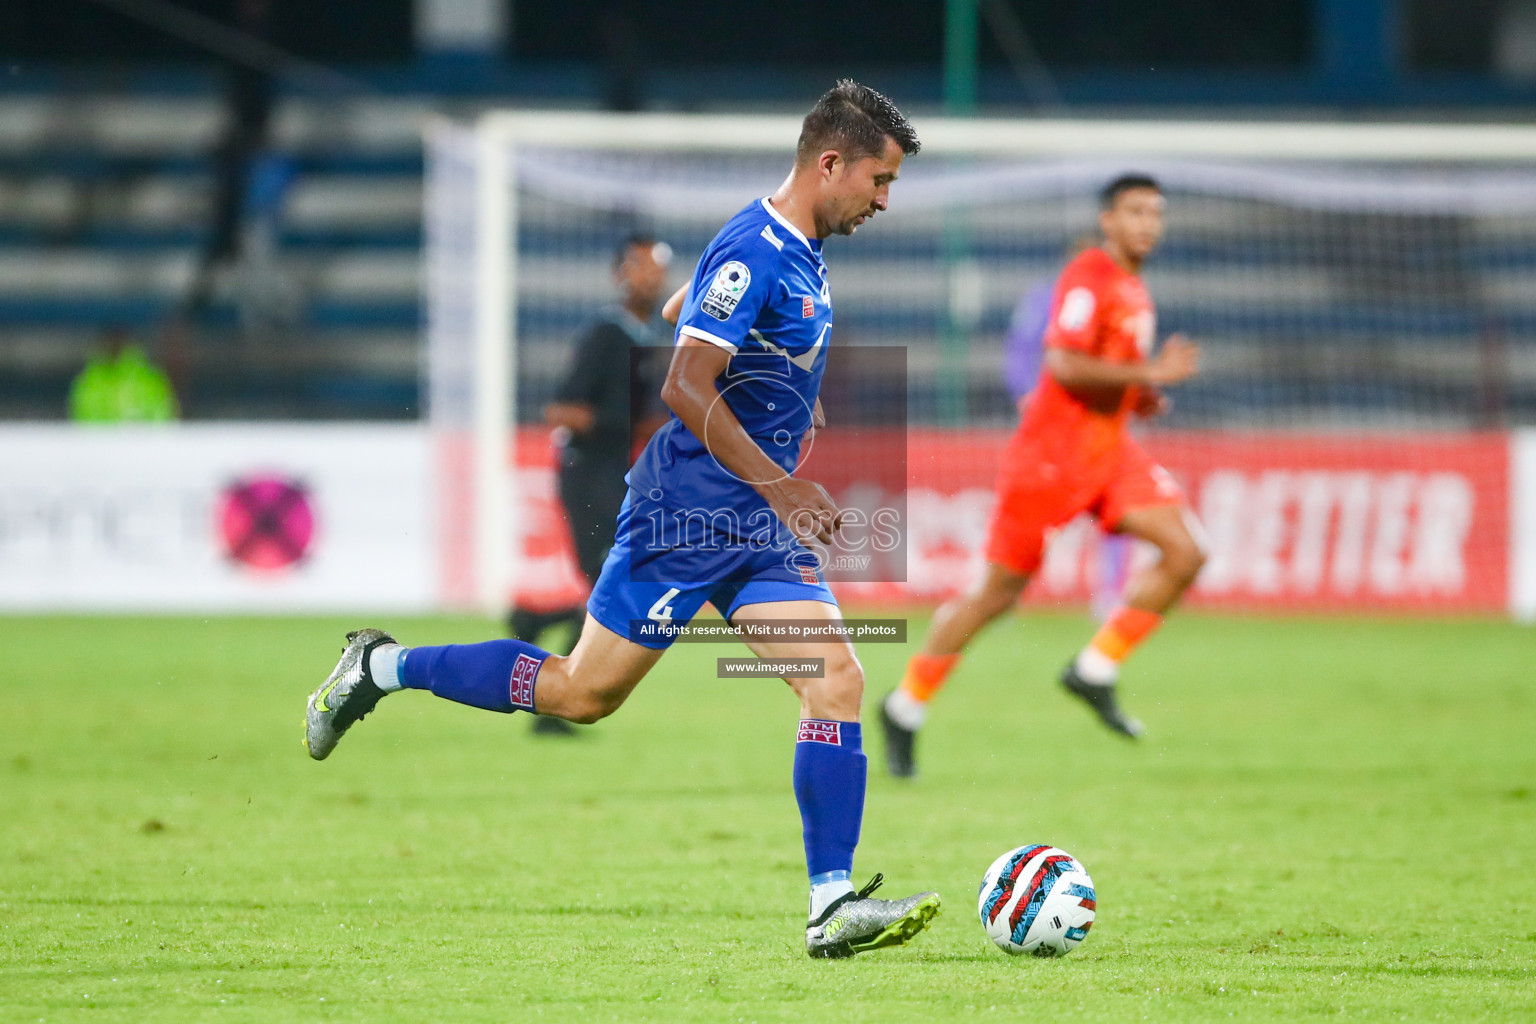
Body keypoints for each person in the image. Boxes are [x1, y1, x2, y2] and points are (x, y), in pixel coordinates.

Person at [304, 80, 941, 959]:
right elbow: (683, 382)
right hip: (683, 520)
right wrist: (787, 482)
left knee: (835, 681)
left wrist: (786, 394)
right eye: (879, 180)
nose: (882, 200)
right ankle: (382, 667)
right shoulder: (756, 249)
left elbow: (690, 316)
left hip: (751, 534)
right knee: (582, 693)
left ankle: (830, 904)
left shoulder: (795, 250)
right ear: (830, 163)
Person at [879, 174, 1206, 779]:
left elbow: (1109, 373)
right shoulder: (1089, 274)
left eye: (1156, 214)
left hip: (1108, 454)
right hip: (1050, 461)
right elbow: (1063, 362)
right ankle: (904, 706)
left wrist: (1140, 394)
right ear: (1107, 220)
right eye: (1135, 212)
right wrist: (1152, 374)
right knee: (996, 597)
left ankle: (1094, 670)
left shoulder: (1134, 289)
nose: (1148, 225)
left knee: (1187, 551)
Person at [513, 234, 673, 736]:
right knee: (612, 583)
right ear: (619, 273)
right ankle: (549, 700)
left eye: (658, 268)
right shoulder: (607, 334)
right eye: (641, 267)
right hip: (585, 472)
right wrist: (632, 426)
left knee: (612, 583)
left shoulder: (646, 337)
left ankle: (536, 626)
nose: (651, 277)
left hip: (614, 473)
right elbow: (564, 411)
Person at [1004, 236, 1134, 621]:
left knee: (1117, 506)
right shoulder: (1045, 299)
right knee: (1029, 510)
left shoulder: (1117, 303)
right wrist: (1026, 395)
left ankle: (1112, 593)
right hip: (1049, 424)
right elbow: (1019, 352)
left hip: (1097, 425)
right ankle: (1004, 589)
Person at [68, 327, 180, 423]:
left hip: (144, 446)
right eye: (110, 341)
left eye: (119, 341)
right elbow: (81, 420)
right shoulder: (89, 381)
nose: (115, 345)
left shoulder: (149, 378)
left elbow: (164, 416)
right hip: (99, 447)